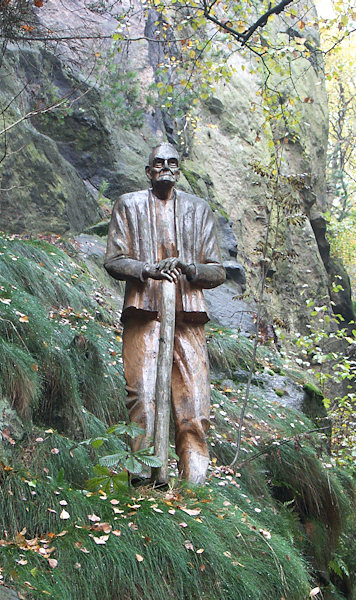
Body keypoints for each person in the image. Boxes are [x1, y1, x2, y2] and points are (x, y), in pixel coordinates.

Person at [104, 142, 225, 483]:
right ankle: (144, 479)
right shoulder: (128, 205)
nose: (165, 167)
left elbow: (217, 270)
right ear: (148, 170)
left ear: (179, 169)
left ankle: (195, 486)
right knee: (142, 397)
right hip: (143, 312)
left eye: (172, 162)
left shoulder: (199, 210)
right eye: (158, 162)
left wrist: (190, 269)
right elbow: (113, 260)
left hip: (188, 316)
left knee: (195, 407)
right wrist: (147, 269)